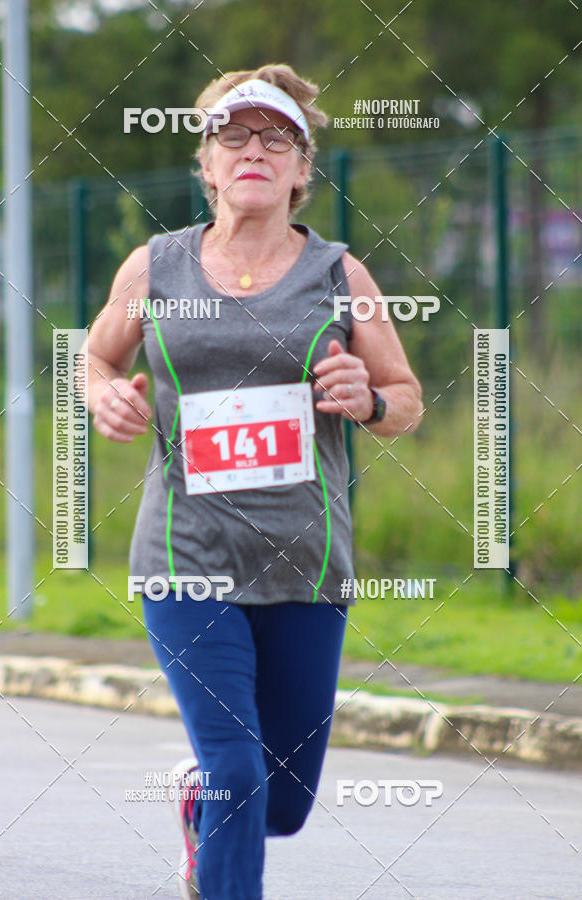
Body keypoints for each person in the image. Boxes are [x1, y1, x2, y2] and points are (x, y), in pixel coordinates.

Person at [82, 63, 422, 900]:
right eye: (233, 135)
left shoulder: (342, 277)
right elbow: (94, 355)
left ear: (303, 171)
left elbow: (406, 399)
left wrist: (369, 398)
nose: (254, 150)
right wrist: (101, 396)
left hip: (305, 564)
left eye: (278, 138)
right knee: (239, 765)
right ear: (206, 164)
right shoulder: (155, 269)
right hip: (184, 556)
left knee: (280, 802)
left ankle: (201, 806)